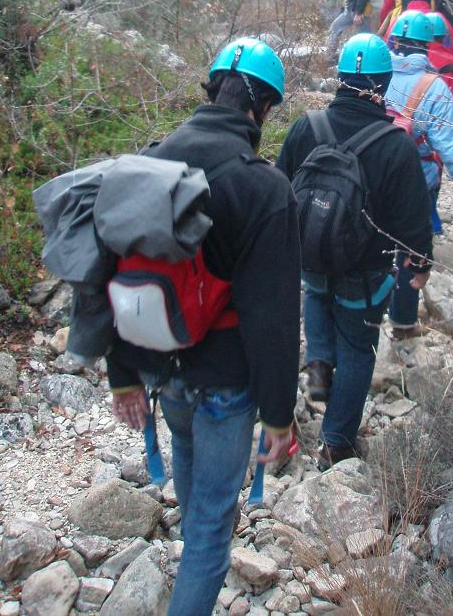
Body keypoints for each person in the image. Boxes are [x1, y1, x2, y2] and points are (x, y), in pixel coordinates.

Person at [107, 37, 301, 616]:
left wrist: (123, 375)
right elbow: (272, 317)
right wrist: (279, 415)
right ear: (263, 107)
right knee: (215, 529)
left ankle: (189, 553)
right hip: (227, 383)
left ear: (212, 88)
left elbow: (109, 267)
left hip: (163, 369)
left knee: (192, 474)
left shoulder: (146, 159)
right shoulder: (265, 188)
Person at [276, 33, 433, 469]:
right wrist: (419, 263)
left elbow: (280, 187)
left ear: (340, 77)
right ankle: (337, 442)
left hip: (311, 254)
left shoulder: (307, 126)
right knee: (360, 349)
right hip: (366, 268)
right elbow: (412, 218)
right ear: (384, 83)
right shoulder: (395, 144)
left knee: (318, 294)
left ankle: (320, 366)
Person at [385, 11, 453, 340]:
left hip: (371, 175)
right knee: (410, 246)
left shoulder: (375, 73)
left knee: (374, 240)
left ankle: (363, 311)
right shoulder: (435, 88)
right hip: (417, 179)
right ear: (428, 44)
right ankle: (401, 322)